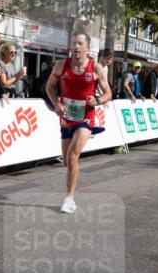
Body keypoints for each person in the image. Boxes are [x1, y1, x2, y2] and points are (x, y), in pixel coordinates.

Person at [45, 32, 112, 214]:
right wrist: (56, 103)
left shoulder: (96, 68)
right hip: (66, 118)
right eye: (74, 43)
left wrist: (97, 101)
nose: (75, 47)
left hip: (85, 118)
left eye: (80, 44)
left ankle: (69, 199)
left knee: (73, 157)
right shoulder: (61, 65)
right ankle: (70, 195)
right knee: (67, 162)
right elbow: (49, 86)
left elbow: (108, 94)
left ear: (87, 49)